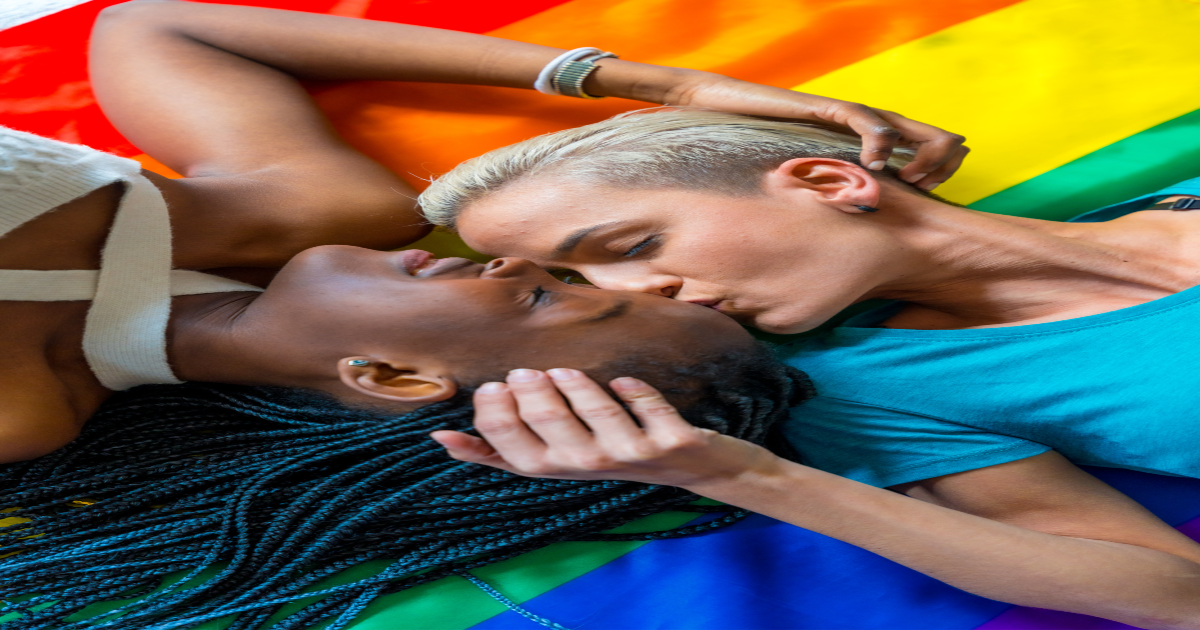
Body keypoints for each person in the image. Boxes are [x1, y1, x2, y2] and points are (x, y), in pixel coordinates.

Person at [0, 0, 966, 464]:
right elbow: (149, 28)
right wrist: (664, 86)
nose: (504, 258)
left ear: (388, 377)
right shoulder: (326, 212)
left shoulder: (21, 413)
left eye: (546, 296)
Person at [421, 108, 1200, 628]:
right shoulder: (868, 387)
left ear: (831, 182)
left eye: (629, 248)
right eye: (585, 287)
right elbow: (1175, 595)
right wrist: (741, 477)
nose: (635, 292)